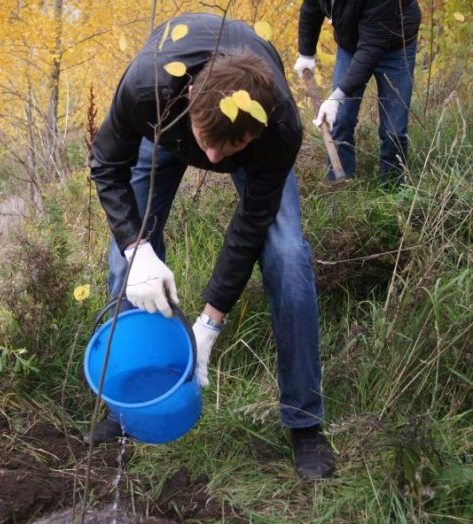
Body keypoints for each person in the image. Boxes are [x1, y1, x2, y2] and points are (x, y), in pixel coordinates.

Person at [86, 13, 335, 480]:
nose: (216, 161)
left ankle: (305, 423)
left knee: (287, 258)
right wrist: (138, 249)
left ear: (254, 134)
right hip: (168, 129)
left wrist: (209, 323)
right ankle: (125, 406)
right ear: (187, 101)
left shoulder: (277, 129)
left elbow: (249, 226)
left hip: (239, 138)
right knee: (124, 264)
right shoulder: (148, 88)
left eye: (231, 148)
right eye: (209, 146)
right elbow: (105, 165)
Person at [294, 0, 422, 185]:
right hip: (351, 44)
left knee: (394, 131)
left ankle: (391, 192)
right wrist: (305, 52)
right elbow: (311, 7)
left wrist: (336, 97)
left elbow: (371, 48)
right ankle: (340, 188)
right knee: (340, 119)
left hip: (395, 46)